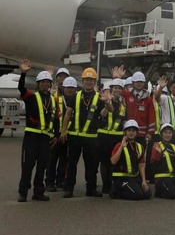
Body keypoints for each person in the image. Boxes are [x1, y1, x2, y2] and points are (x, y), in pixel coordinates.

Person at [60, 67, 106, 198]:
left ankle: (91, 188)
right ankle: (69, 188)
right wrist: (64, 131)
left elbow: (107, 112)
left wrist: (107, 101)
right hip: (75, 136)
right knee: (71, 164)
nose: (89, 82)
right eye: (87, 80)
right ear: (83, 80)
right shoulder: (75, 97)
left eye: (91, 80)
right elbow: (67, 114)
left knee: (91, 165)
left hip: (91, 138)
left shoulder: (100, 98)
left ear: (95, 81)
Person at [17, 60, 56, 202]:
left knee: (42, 166)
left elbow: (55, 119)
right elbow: (21, 89)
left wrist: (55, 136)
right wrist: (23, 73)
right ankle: (23, 192)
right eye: (43, 82)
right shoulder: (31, 97)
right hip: (31, 136)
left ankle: (38, 192)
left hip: (45, 138)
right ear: (38, 84)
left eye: (48, 82)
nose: (46, 84)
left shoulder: (52, 100)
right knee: (28, 165)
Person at [46, 75, 76, 192]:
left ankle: (60, 180)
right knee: (52, 160)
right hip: (57, 135)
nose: (70, 90)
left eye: (72, 88)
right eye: (68, 87)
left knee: (65, 160)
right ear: (63, 88)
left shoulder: (76, 100)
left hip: (69, 135)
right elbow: (50, 118)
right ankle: (49, 182)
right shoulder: (56, 99)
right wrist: (52, 135)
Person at [97, 79, 128, 195]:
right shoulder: (103, 101)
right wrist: (107, 103)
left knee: (114, 162)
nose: (117, 90)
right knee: (104, 162)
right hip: (104, 136)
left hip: (117, 136)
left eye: (119, 88)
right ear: (111, 89)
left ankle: (113, 184)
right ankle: (106, 185)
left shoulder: (123, 104)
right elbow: (102, 114)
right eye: (115, 88)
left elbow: (124, 120)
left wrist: (126, 136)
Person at [109, 119, 151, 200]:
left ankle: (131, 187)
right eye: (129, 130)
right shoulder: (119, 145)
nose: (131, 133)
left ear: (136, 133)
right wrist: (121, 147)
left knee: (147, 194)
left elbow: (141, 165)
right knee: (138, 195)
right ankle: (116, 191)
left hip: (134, 177)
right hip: (122, 178)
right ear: (125, 132)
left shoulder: (139, 146)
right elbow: (113, 161)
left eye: (133, 131)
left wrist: (143, 181)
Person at [150, 123, 175, 199]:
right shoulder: (157, 146)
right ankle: (159, 191)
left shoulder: (174, 147)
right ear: (161, 134)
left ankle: (170, 188)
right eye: (165, 132)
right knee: (173, 195)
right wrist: (159, 153)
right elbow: (152, 162)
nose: (167, 135)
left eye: (169, 133)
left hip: (172, 177)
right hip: (161, 178)